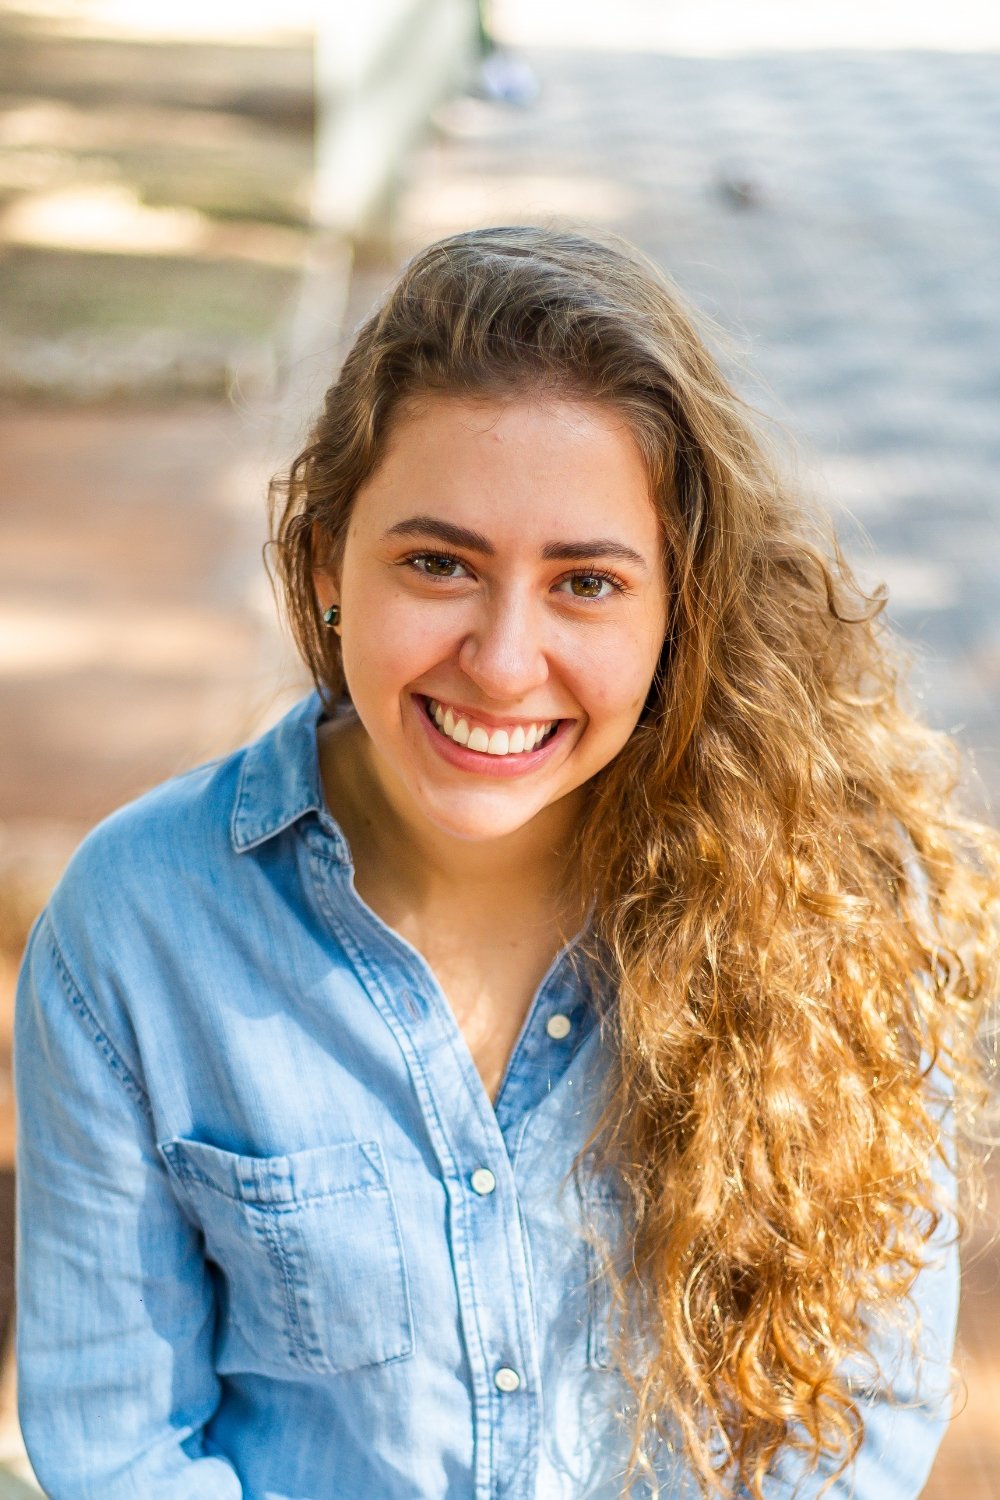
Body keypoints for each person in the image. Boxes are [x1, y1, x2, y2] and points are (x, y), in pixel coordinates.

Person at [15, 225, 1000, 1499]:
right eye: (438, 564)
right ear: (325, 563)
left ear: (676, 611)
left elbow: (859, 1422)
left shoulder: (838, 910)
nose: (501, 659)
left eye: (586, 583)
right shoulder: (137, 928)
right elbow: (120, 1444)